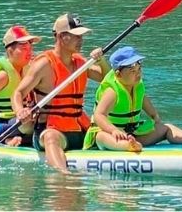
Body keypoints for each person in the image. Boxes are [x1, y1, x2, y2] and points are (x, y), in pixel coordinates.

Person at [11, 13, 109, 172]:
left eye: (81, 36)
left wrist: (102, 60)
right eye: (76, 36)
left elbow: (105, 77)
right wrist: (20, 111)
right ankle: (62, 176)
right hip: (51, 131)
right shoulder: (44, 65)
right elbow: (18, 93)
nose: (81, 40)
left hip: (79, 129)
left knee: (106, 131)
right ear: (62, 37)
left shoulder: (80, 63)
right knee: (51, 137)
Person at [87, 46, 182, 151]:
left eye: (139, 68)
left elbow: (143, 100)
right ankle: (126, 146)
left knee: (166, 128)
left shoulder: (137, 86)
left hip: (133, 134)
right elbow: (99, 115)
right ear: (118, 74)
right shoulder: (112, 91)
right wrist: (114, 130)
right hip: (109, 135)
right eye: (132, 71)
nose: (137, 73)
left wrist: (154, 115)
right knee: (102, 137)